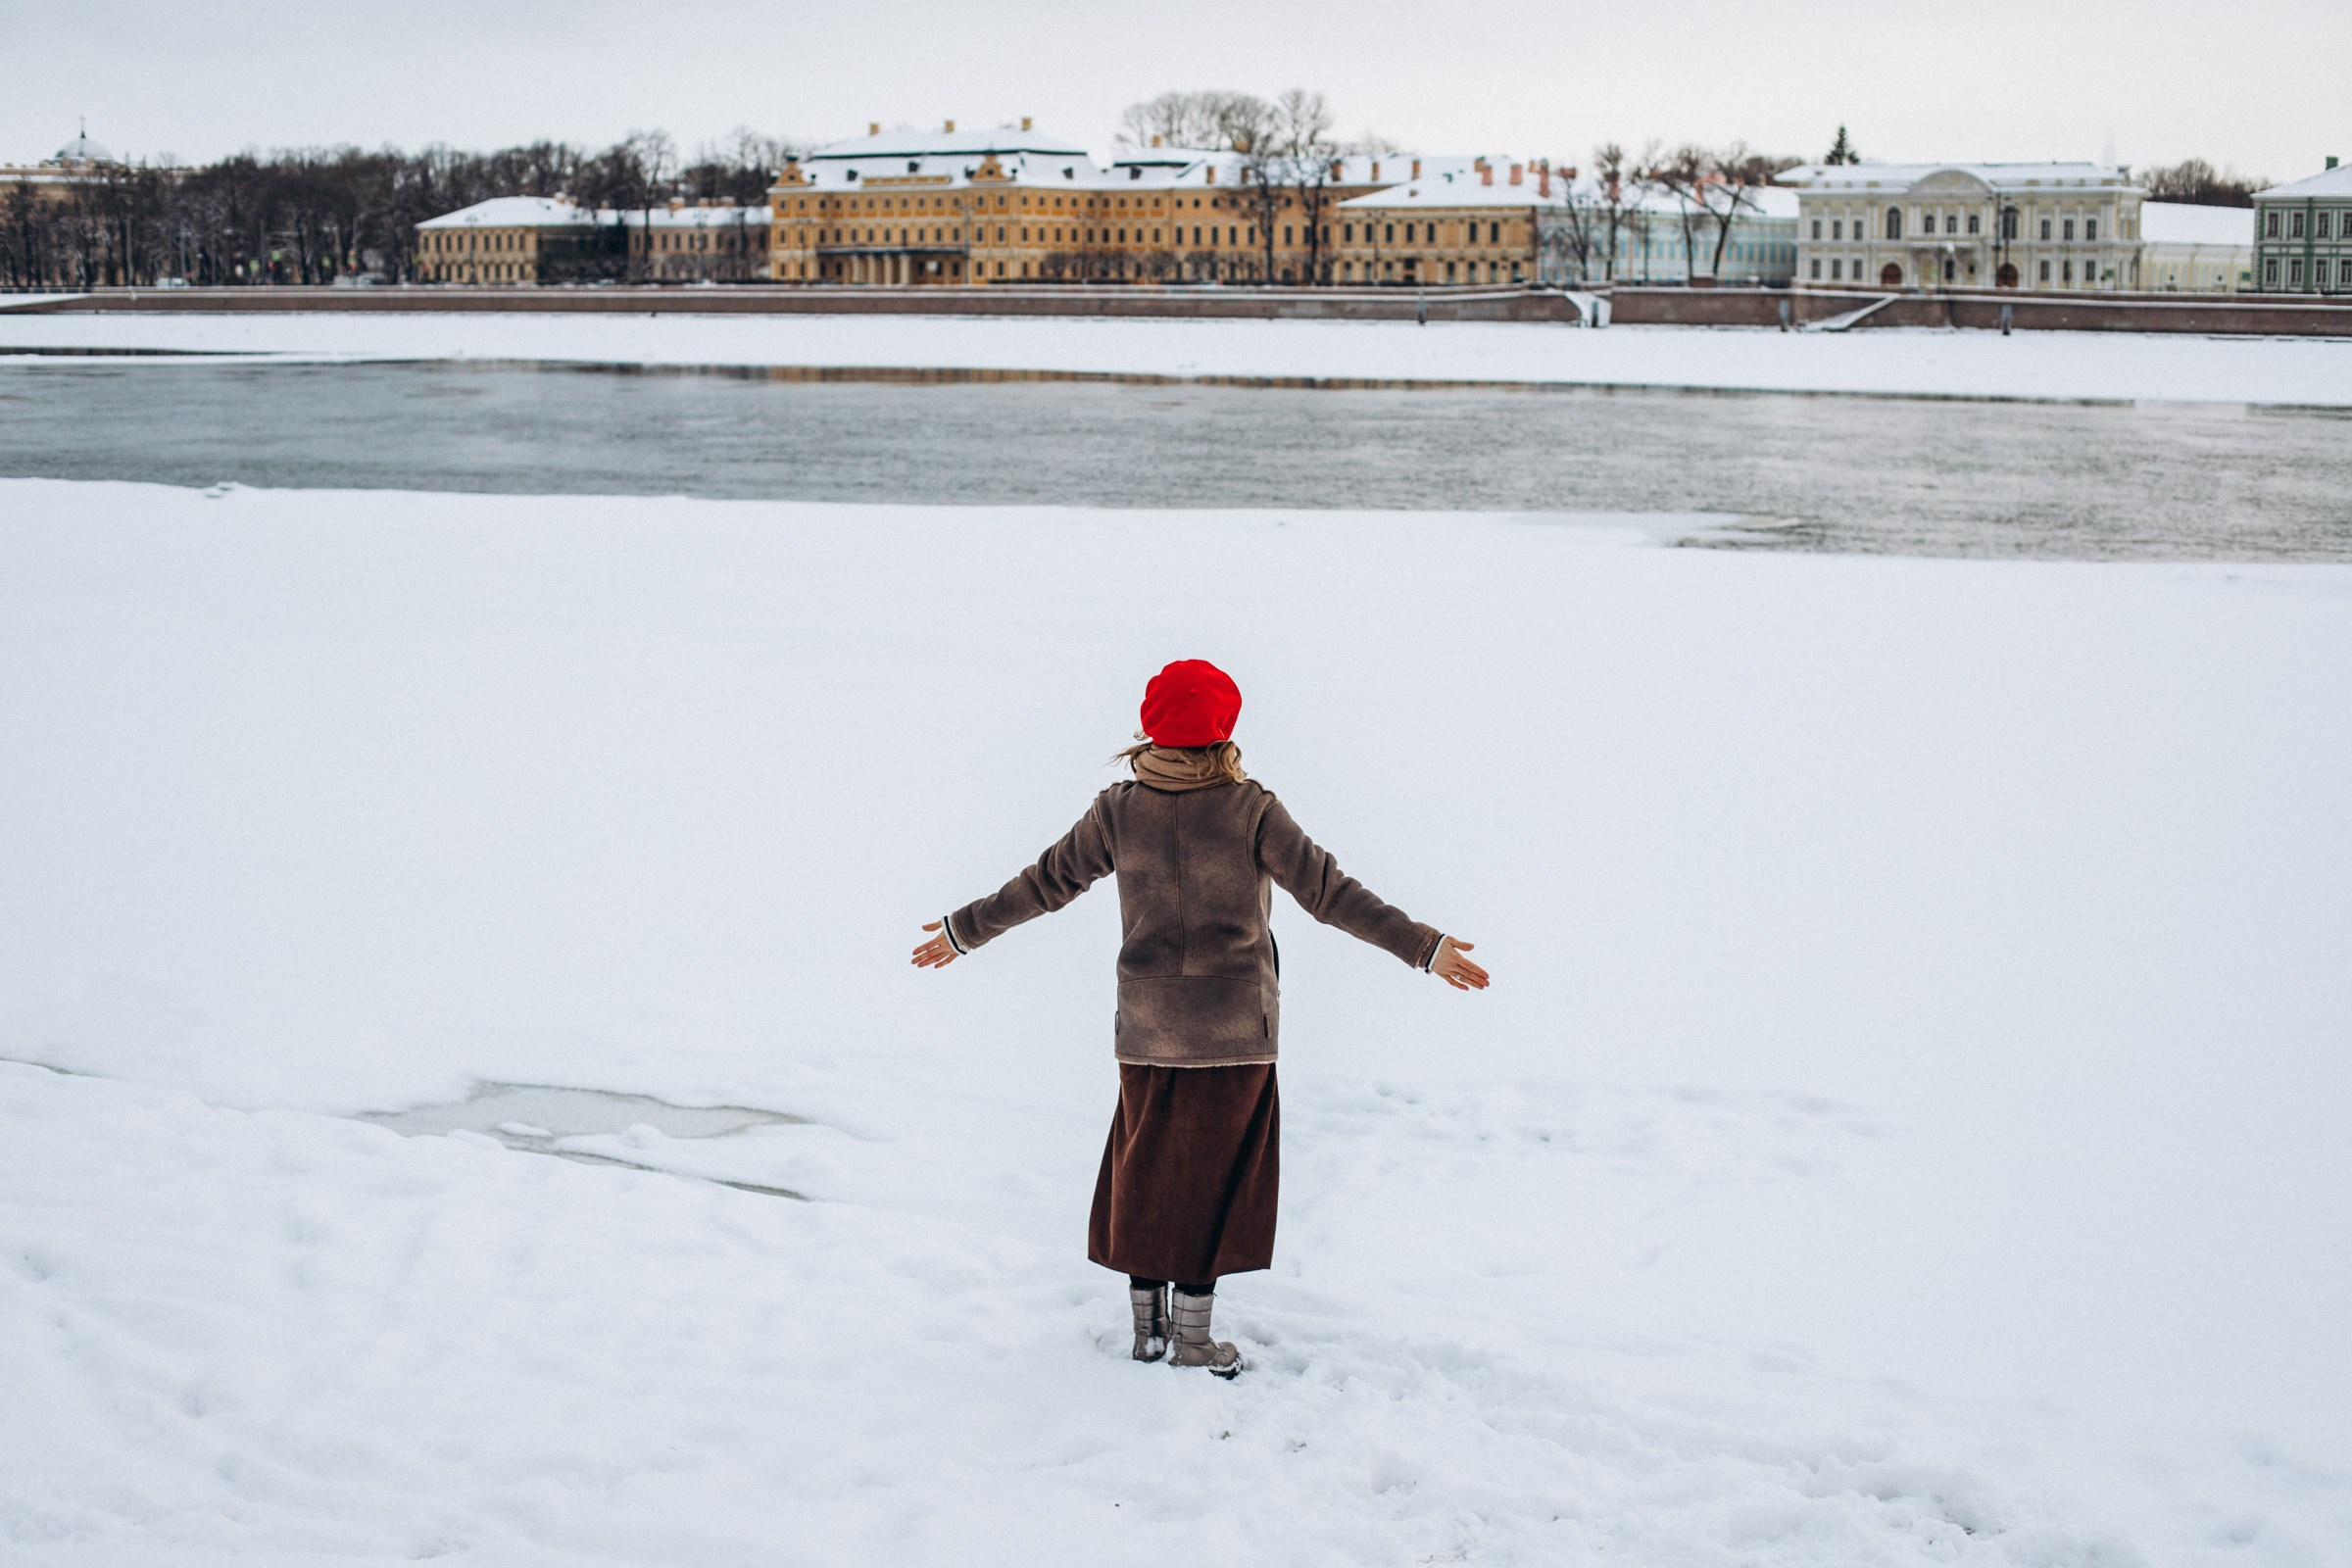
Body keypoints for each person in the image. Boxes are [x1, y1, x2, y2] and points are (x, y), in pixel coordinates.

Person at [910, 660, 1488, 1377]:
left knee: (1147, 1168)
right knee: (1214, 1181)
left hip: (1149, 1026)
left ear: (1152, 724)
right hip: (1234, 1030)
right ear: (1224, 730)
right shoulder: (1251, 809)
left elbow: (1045, 884)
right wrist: (1422, 947)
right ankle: (1193, 1340)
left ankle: (1148, 1330)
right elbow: (1330, 894)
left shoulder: (1117, 810)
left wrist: (965, 930)